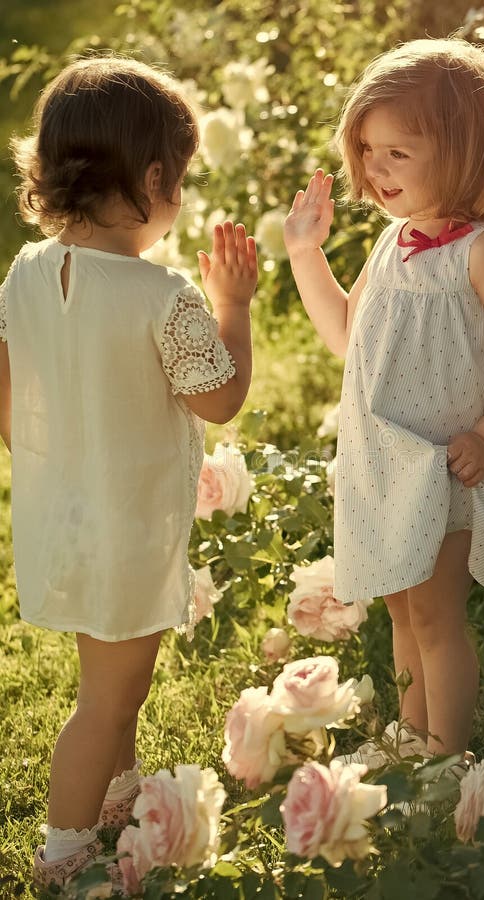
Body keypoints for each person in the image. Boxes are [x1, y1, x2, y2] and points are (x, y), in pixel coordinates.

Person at [283, 38, 484, 766]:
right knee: (397, 606)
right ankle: (409, 738)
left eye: (397, 153)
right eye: (367, 151)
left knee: (434, 612)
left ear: (461, 152)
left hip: (444, 466)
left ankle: (446, 755)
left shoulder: (482, 251)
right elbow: (347, 337)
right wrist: (304, 253)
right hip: (385, 461)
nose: (375, 170)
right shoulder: (392, 243)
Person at [0, 56, 257, 888]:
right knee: (108, 698)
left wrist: (46, 454)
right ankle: (65, 853)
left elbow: (9, 398)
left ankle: (118, 796)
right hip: (125, 526)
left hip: (60, 518)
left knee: (108, 679)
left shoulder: (25, 273)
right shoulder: (162, 294)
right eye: (177, 181)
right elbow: (218, 401)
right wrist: (235, 311)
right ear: (152, 177)